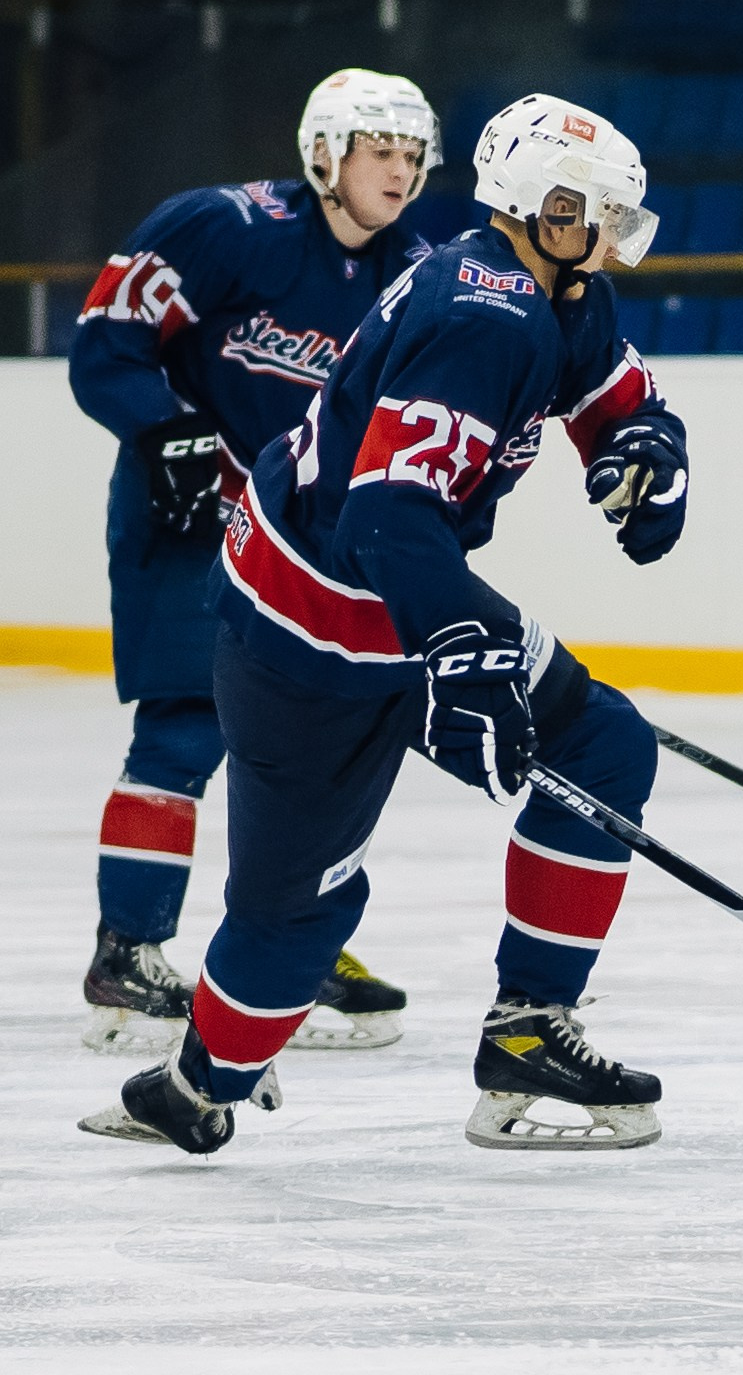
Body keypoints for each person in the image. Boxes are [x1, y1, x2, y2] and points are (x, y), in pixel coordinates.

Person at [78, 93, 692, 1156]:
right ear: (541, 207)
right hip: (303, 632)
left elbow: (611, 393)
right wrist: (463, 652)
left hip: (402, 598)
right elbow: (386, 514)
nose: (606, 237)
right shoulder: (478, 313)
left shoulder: (559, 289)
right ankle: (194, 1083)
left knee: (604, 744)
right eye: (593, 211)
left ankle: (529, 1026)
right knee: (297, 921)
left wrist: (645, 446)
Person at [66, 70, 437, 1058]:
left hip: (307, 539)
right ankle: (129, 949)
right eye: (378, 149)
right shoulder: (222, 226)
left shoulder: (420, 271)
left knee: (315, 749)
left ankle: (285, 946)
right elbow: (105, 345)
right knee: (187, 728)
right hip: (190, 515)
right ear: (325, 154)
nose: (398, 170)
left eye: (411, 153)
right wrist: (166, 433)